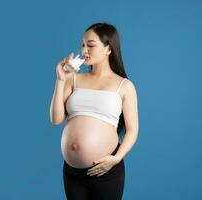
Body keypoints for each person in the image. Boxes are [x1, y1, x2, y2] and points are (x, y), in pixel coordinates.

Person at [50, 22, 139, 200]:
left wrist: (116, 158)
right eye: (82, 44)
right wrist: (60, 80)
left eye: (90, 45)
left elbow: (132, 130)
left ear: (108, 49)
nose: (84, 50)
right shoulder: (73, 79)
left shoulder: (124, 86)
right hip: (72, 172)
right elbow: (56, 119)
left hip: (105, 170)